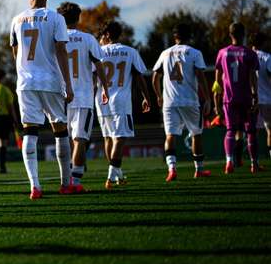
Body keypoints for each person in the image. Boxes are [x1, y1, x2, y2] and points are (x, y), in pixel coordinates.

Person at [9, 0, 73, 199]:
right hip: (50, 80)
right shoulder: (56, 18)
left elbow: (15, 52)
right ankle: (66, 183)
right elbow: (61, 51)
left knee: (30, 130)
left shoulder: (17, 19)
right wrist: (68, 84)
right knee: (60, 129)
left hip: (25, 82)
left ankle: (35, 186)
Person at [57, 2, 109, 193]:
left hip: (60, 96)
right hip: (83, 95)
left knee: (66, 139)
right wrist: (105, 88)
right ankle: (75, 181)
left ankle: (66, 178)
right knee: (80, 139)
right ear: (78, 18)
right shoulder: (88, 39)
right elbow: (99, 65)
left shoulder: (55, 38)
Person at [152, 23, 212, 182]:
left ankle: (172, 170)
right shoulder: (194, 53)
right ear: (189, 36)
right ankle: (198, 170)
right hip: (189, 100)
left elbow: (155, 77)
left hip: (170, 101)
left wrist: (159, 95)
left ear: (175, 36)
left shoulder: (165, 53)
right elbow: (200, 75)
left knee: (170, 135)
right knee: (196, 133)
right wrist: (207, 98)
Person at [95, 21, 152, 189]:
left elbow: (92, 77)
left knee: (108, 138)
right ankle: (112, 175)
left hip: (101, 99)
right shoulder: (130, 51)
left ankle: (117, 175)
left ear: (106, 35)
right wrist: (146, 97)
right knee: (120, 137)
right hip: (121, 99)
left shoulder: (98, 52)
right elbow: (139, 76)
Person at [215, 22, 260, 174]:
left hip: (229, 98)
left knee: (230, 130)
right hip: (246, 97)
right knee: (251, 131)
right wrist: (255, 96)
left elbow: (217, 81)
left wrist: (217, 99)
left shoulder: (222, 53)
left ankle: (229, 163)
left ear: (230, 34)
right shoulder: (250, 53)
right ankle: (254, 164)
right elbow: (253, 77)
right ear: (244, 34)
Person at [251, 32, 271, 162]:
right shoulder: (267, 57)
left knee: (253, 132)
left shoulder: (246, 55)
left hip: (252, 99)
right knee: (270, 129)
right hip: (267, 98)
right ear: (263, 43)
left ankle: (254, 162)